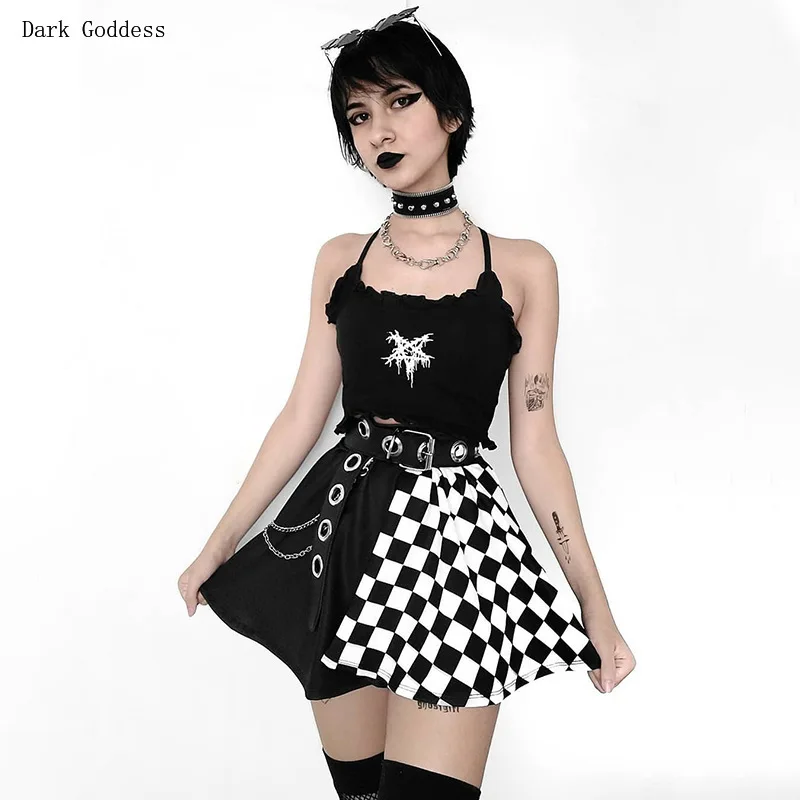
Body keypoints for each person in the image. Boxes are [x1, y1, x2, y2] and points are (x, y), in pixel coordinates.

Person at [178, 7, 635, 798]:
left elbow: (535, 443)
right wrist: (217, 546)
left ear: (450, 113)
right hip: (341, 535)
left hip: (454, 546)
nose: (379, 131)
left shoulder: (524, 268)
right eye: (359, 115)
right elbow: (301, 416)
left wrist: (595, 604)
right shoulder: (340, 260)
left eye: (399, 101)